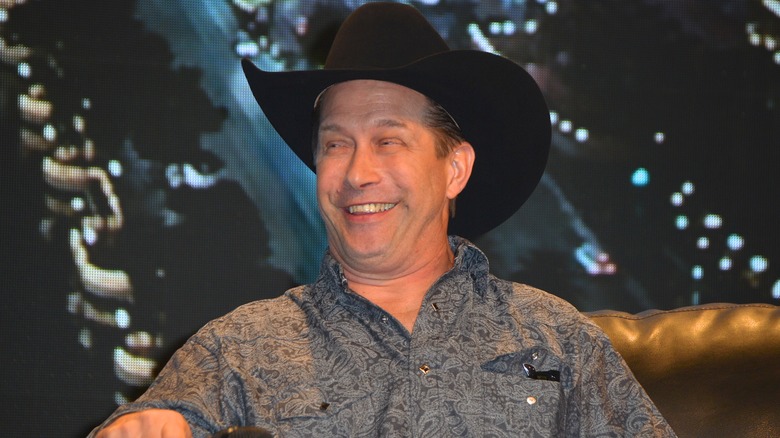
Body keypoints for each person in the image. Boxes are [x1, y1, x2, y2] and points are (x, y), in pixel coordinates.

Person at [92, 3, 676, 437]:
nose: (357, 173)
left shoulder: (558, 341)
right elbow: (143, 426)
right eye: (336, 145)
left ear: (454, 168)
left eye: (388, 141)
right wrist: (146, 425)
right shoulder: (238, 348)